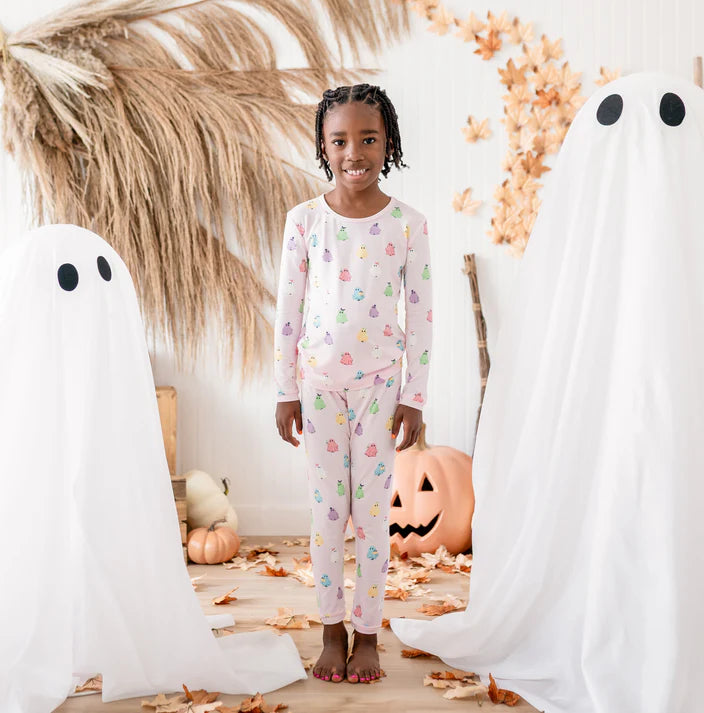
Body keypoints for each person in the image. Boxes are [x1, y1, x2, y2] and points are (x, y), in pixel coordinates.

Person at [274, 84, 433, 684]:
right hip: (318, 386)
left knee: (369, 516)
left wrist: (414, 396)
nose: (354, 153)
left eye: (368, 138)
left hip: (380, 391)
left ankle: (367, 634)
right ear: (323, 145)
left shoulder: (409, 225)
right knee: (327, 514)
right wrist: (285, 389)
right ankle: (331, 630)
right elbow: (287, 311)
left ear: (388, 142)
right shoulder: (303, 222)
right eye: (339, 140)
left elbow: (421, 316)